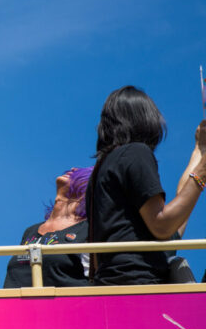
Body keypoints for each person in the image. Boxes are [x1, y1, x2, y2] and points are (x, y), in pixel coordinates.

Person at [87, 86, 206, 285]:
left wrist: (200, 150)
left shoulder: (103, 168)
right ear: (144, 116)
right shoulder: (136, 153)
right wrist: (203, 169)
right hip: (140, 284)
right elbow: (163, 226)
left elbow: (174, 223)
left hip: (111, 284)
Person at [3, 167, 92, 288]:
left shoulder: (88, 230)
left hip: (67, 306)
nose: (73, 169)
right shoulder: (31, 231)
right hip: (17, 305)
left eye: (81, 172)